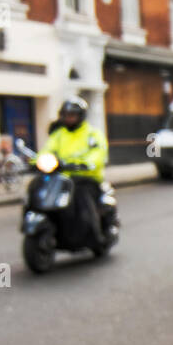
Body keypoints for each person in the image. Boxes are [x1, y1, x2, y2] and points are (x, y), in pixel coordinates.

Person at [40, 98, 109, 249]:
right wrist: (38, 161)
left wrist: (86, 163)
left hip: (86, 177)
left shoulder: (92, 134)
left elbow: (98, 152)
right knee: (37, 185)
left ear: (81, 116)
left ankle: (94, 236)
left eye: (72, 115)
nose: (68, 118)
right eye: (65, 115)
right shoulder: (58, 134)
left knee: (81, 195)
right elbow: (46, 151)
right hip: (61, 177)